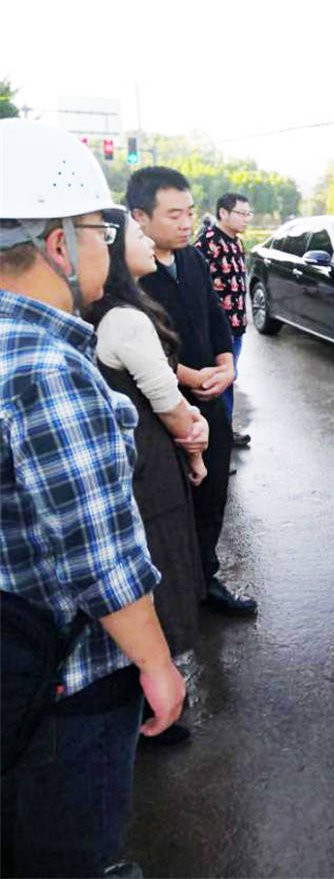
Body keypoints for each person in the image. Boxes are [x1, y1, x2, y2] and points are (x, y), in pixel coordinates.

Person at [0, 120, 185, 877]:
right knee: (69, 849)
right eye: (97, 230)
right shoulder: (48, 367)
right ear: (57, 246)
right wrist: (158, 666)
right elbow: (99, 556)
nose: (107, 245)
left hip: (14, 665)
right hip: (67, 685)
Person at [84, 209, 209, 746]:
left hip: (130, 456)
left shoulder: (97, 310)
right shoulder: (127, 319)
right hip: (149, 462)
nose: (149, 243)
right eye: (137, 235)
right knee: (159, 569)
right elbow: (167, 402)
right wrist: (197, 439)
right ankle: (152, 708)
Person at [127, 167, 257, 616]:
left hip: (210, 398)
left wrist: (226, 365)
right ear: (140, 216)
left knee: (212, 494)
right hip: (160, 407)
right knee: (166, 505)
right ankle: (166, 594)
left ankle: (205, 580)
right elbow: (137, 349)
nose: (186, 223)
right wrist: (188, 376)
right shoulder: (130, 273)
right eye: (174, 215)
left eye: (190, 212)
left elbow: (217, 316)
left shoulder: (192, 259)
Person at [194, 192, 252, 447]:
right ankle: (217, 436)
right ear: (223, 213)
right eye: (241, 213)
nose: (246, 219)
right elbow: (198, 287)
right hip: (217, 329)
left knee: (230, 379)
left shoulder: (237, 243)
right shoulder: (207, 242)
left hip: (237, 325)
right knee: (218, 382)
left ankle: (225, 431)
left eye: (248, 214)